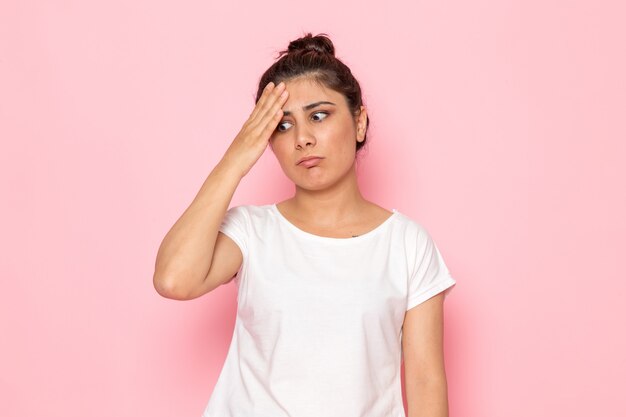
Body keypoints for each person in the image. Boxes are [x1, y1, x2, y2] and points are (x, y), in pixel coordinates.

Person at [153, 32, 457, 417]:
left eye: (318, 115)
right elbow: (173, 279)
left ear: (359, 122)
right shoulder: (250, 231)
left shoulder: (407, 244)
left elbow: (426, 381)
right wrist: (236, 157)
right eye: (281, 126)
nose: (302, 139)